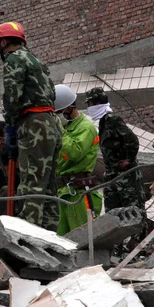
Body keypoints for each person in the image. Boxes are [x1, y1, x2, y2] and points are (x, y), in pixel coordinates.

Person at [0, 22, 62, 231]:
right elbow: (52, 94)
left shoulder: (14, 60)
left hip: (34, 124)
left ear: (4, 42)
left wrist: (10, 128)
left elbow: (12, 98)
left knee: (31, 186)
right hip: (52, 122)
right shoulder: (36, 60)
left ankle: (32, 240)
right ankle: (50, 236)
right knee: (48, 187)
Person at [85, 87, 145, 212]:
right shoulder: (103, 124)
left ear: (97, 103)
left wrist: (129, 159)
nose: (88, 108)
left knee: (133, 212)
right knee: (113, 214)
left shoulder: (113, 121)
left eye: (89, 104)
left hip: (126, 177)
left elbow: (132, 140)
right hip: (112, 177)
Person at [53, 84, 103, 235]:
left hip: (79, 191)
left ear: (69, 108)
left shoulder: (85, 127)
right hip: (63, 191)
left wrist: (59, 131)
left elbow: (75, 153)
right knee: (62, 239)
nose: (56, 116)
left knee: (83, 239)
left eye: (58, 112)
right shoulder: (67, 128)